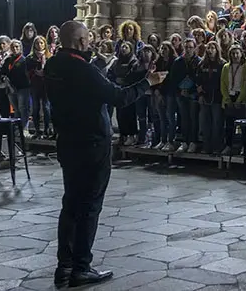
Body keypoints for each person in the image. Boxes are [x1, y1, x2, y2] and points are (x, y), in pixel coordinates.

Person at [45, 21, 166, 287]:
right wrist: (148, 81)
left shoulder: (51, 66)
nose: (90, 43)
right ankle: (81, 267)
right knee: (89, 206)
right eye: (87, 38)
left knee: (70, 204)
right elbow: (118, 97)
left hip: (67, 141)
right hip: (92, 145)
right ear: (79, 42)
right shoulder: (83, 69)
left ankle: (64, 266)